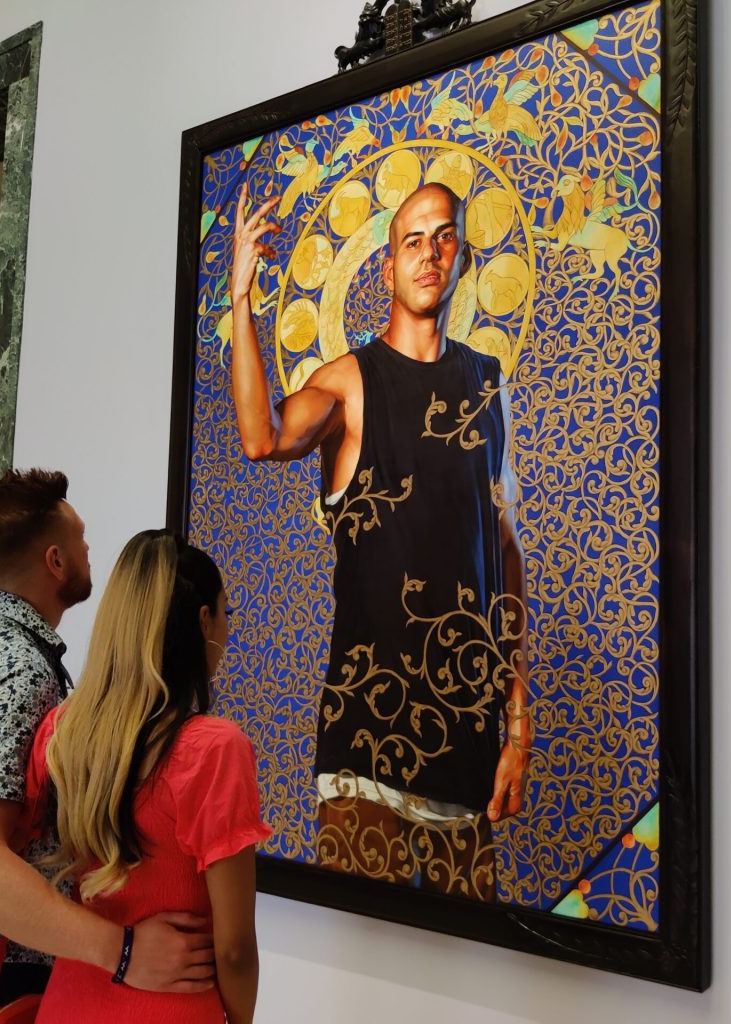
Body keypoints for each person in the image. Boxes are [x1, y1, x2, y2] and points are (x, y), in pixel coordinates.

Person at [228, 178, 531, 899]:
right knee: (362, 969)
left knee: (464, 970)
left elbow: (502, 551)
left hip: (465, 743)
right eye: (412, 241)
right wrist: (240, 299)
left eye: (444, 236)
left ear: (461, 256)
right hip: (365, 743)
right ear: (389, 264)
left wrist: (516, 723)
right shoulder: (349, 383)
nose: (429, 253)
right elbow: (259, 438)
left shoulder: (488, 386)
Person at [0, 470, 216, 1024]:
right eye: (81, 539)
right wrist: (123, 952)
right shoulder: (13, 672)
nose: (89, 550)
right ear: (55, 561)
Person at [26, 530, 268, 1023]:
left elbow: (12, 863)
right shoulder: (213, 750)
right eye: (225, 614)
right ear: (204, 622)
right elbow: (236, 948)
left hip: (69, 1001)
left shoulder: (62, 731)